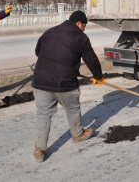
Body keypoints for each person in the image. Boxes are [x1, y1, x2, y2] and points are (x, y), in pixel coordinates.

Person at [31, 10, 105, 163]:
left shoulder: (49, 32)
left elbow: (38, 51)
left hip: (40, 81)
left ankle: (39, 150)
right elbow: (91, 59)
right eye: (84, 26)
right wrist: (98, 76)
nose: (84, 29)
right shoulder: (81, 37)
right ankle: (78, 134)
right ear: (79, 23)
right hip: (64, 82)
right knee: (72, 108)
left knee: (43, 114)